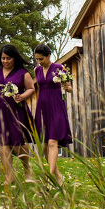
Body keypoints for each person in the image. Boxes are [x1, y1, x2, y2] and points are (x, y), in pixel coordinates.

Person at [0, 44, 36, 185]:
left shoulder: (22, 72)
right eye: (3, 58)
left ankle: (27, 169)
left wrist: (23, 96)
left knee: (18, 142)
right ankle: (9, 176)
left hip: (16, 109)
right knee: (3, 144)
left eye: (8, 58)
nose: (5, 61)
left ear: (14, 58)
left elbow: (31, 88)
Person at [33, 43, 73, 186]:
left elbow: (69, 88)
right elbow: (37, 90)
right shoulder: (36, 70)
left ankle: (49, 179)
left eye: (41, 59)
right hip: (42, 108)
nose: (39, 62)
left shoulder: (59, 68)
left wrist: (66, 87)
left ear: (49, 56)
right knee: (44, 146)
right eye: (37, 59)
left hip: (56, 106)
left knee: (52, 142)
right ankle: (57, 175)